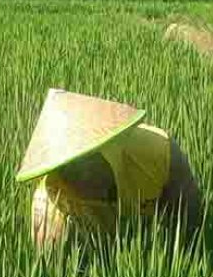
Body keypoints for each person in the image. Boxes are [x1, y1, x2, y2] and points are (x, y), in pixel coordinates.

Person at [17, 89, 203, 248]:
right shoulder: (49, 211)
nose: (80, 176)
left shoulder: (157, 152)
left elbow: (191, 225)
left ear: (100, 151)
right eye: (67, 169)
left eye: (85, 162)